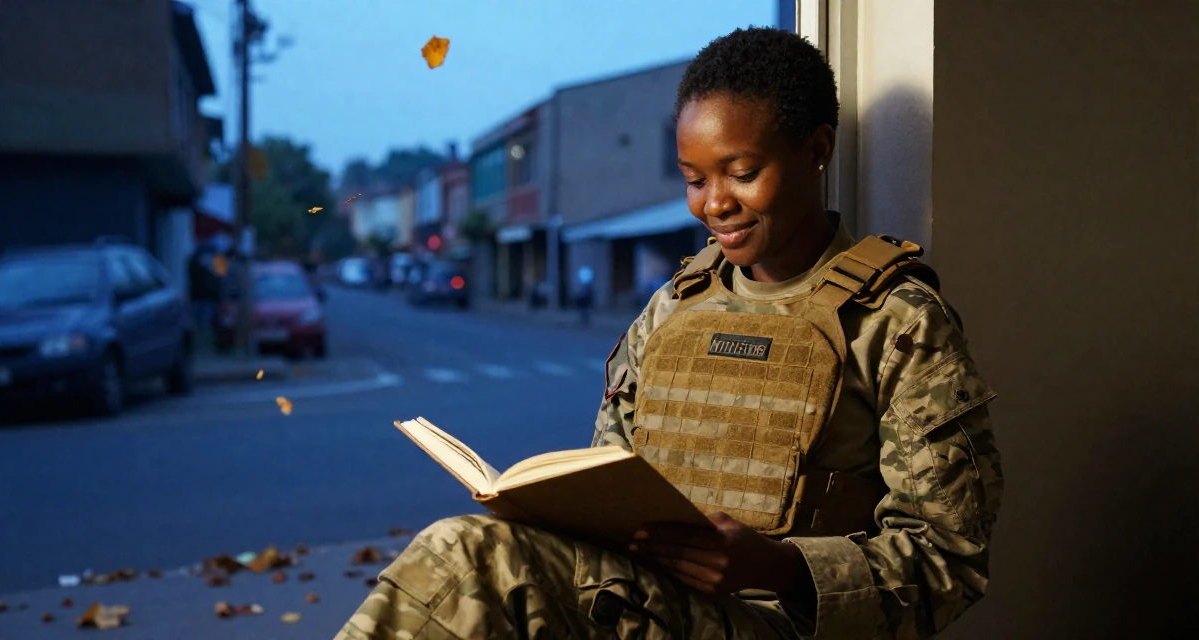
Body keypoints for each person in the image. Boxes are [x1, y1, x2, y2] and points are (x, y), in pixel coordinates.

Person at [336, 27, 1002, 640]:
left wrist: (777, 568)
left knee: (465, 556)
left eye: (742, 173)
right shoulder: (672, 308)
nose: (714, 203)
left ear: (817, 151)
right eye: (694, 179)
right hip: (645, 605)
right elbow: (606, 480)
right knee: (468, 554)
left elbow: (950, 560)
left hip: (773, 623)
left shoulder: (898, 320)